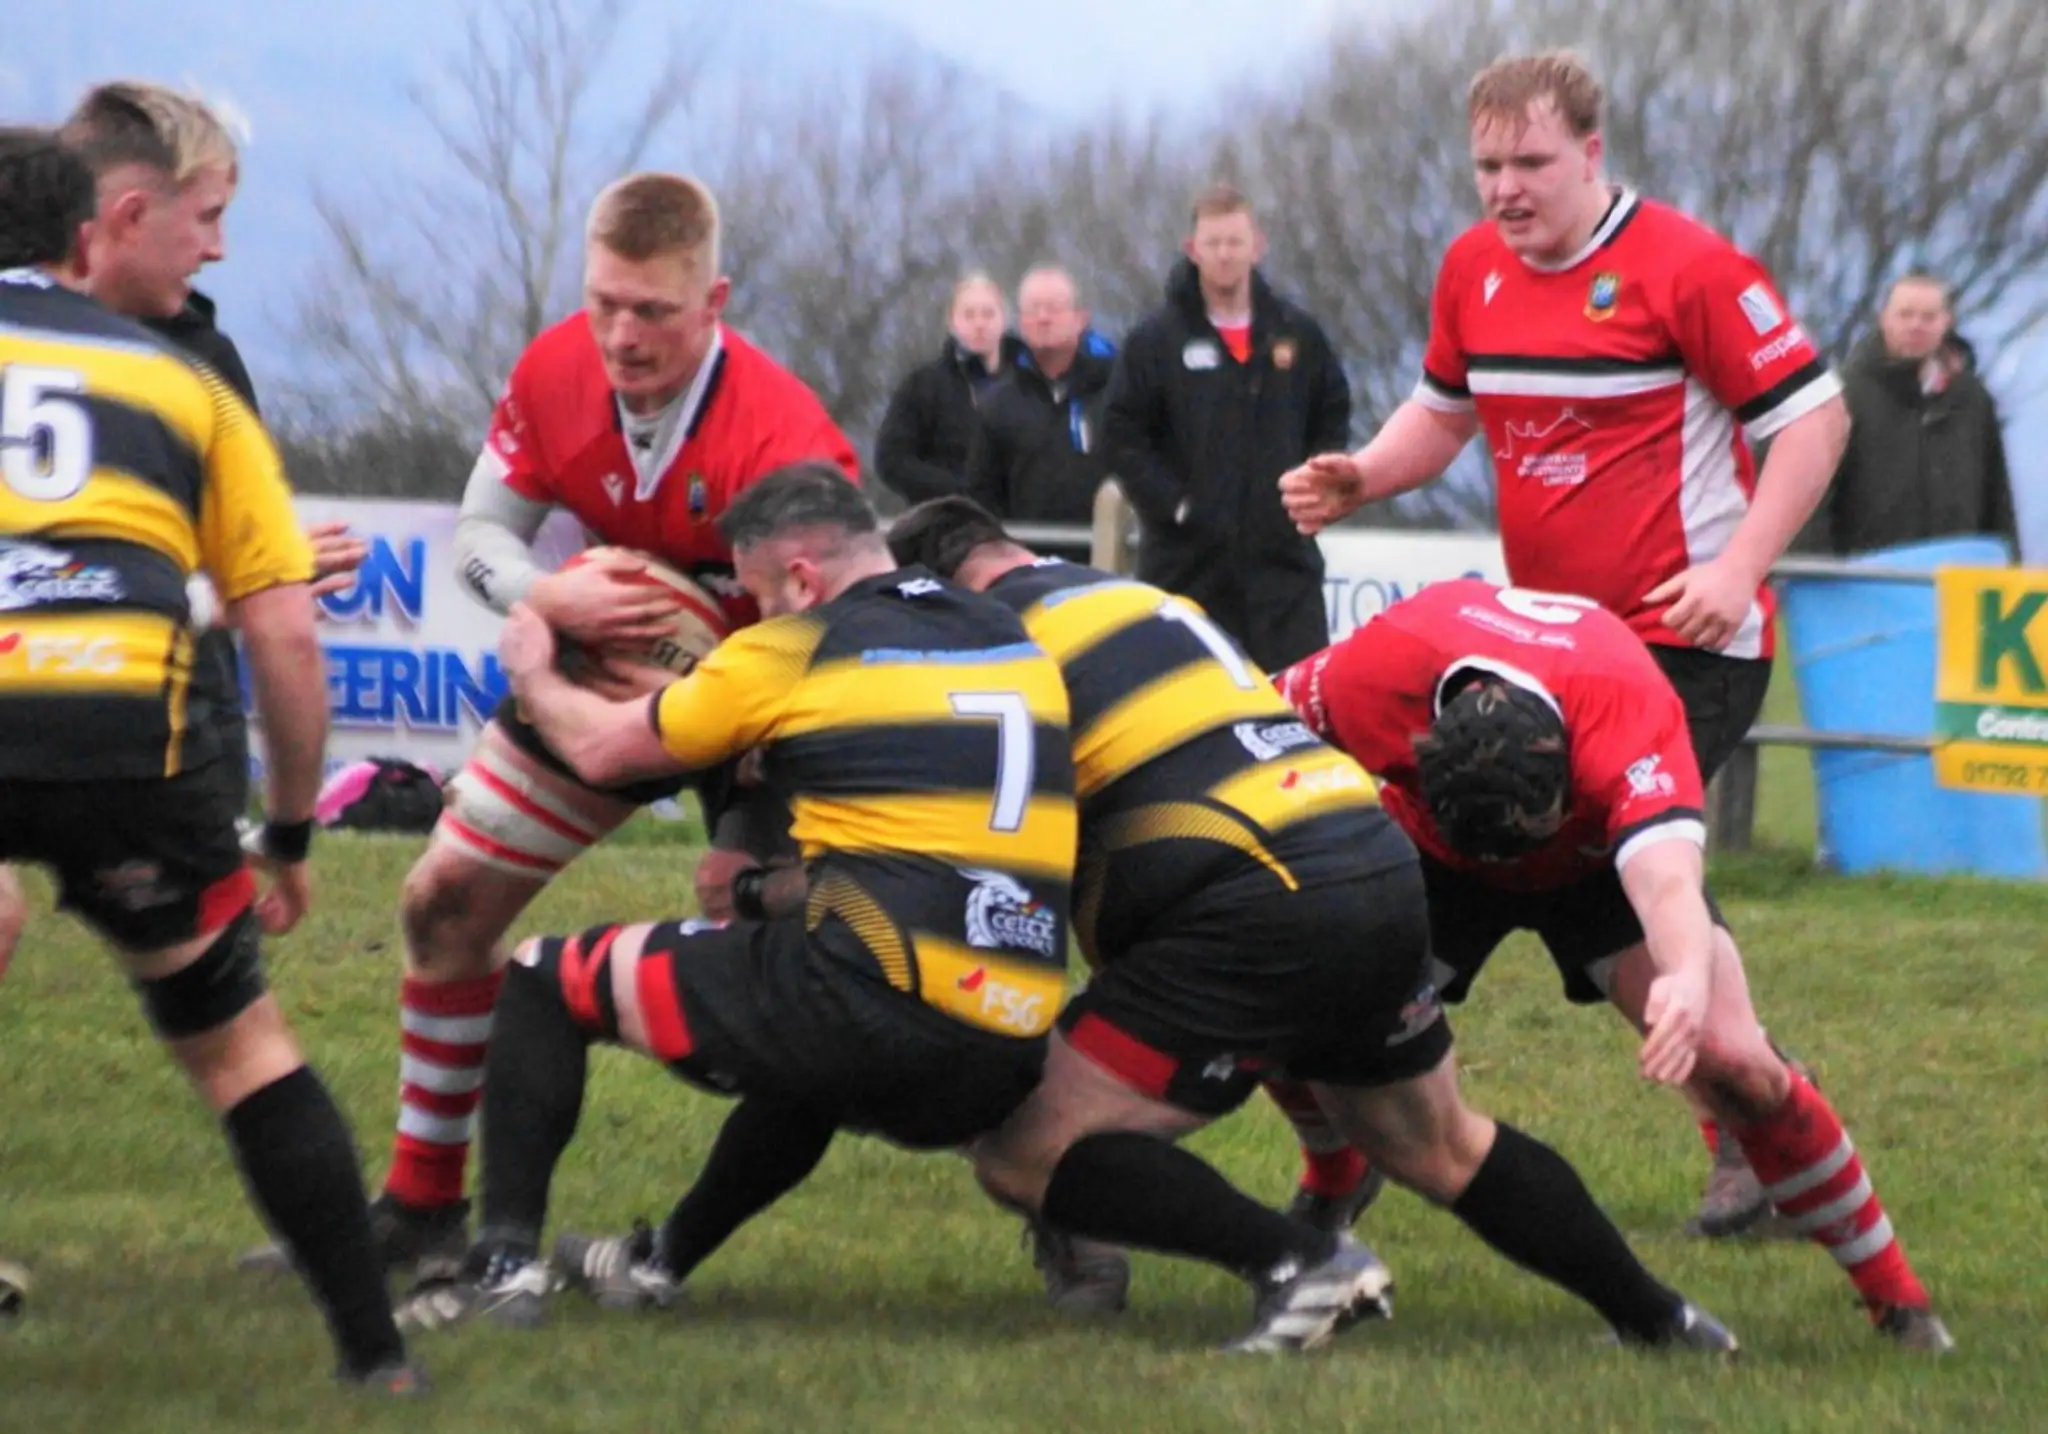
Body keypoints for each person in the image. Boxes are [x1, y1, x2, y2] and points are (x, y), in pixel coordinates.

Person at [544, 495, 1739, 1357]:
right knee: (1436, 1144)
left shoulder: (986, 644)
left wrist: (767, 893)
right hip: (1369, 862)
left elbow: (968, 867)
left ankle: (1298, 1265)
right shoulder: (1136, 597)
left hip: (1249, 897)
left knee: (1022, 1147)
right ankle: (1663, 1321)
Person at [231, 170, 862, 1284]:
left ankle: (1051, 1180)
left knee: (860, 971)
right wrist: (546, 593)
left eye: (653, 311)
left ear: (714, 301)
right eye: (604, 302)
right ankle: (423, 1206)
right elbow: (480, 533)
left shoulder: (784, 436)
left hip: (771, 709)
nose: (621, 336)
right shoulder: (554, 368)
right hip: (600, 673)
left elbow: (831, 644)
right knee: (441, 901)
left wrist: (731, 743)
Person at [1277, 49, 1850, 1236]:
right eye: (1485, 166)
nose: (1504, 188)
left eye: (1529, 162)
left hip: (1685, 640)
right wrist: (1364, 475)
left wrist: (1736, 567)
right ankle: (1739, 1108)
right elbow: (1441, 415)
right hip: (1552, 654)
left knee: (1616, 859)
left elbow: (1815, 420)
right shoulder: (1470, 270)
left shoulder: (1686, 268)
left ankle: (1744, 1120)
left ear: (1591, 153)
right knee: (1538, 856)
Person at [392, 467, 1076, 1329]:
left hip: (875, 1007)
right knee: (806, 1054)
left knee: (540, 978)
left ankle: (501, 1268)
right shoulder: (1001, 633)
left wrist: (534, 671)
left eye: (761, 597)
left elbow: (602, 752)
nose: (756, 617)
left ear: (802, 580)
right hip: (1006, 1044)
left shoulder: (794, 647)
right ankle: (658, 1263)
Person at [0, 129, 421, 1393]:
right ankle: (376, 1360)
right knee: (240, 1047)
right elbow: (283, 636)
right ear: (87, 238)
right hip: (134, 740)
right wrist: (287, 833)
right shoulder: (185, 385)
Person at [1272, 578, 1953, 1353]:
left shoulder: (1623, 709)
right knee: (1283, 999)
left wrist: (1686, 980)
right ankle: (1332, 1184)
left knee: (1735, 1059)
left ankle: (1897, 1300)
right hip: (1437, 860)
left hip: (1596, 864)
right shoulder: (1376, 668)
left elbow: (1666, 883)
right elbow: (1241, 725)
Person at [0, 83, 368, 983]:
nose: (219, 248)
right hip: (92, 706)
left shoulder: (200, 357)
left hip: (157, 717)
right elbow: (265, 617)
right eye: (207, 217)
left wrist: (245, 587)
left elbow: (251, 596)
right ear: (126, 216)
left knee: (211, 978)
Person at [1104, 182, 1351, 672]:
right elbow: (1120, 433)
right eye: (1213, 243)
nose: (1224, 254)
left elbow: (1332, 412)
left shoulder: (1297, 334)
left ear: (1257, 245)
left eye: (1234, 242)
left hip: (1283, 573)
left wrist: (1312, 487)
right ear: (1192, 248)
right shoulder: (1156, 341)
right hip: (1185, 570)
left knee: (1295, 702)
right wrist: (1174, 505)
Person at [1801, 274, 2018, 558]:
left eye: (1928, 317)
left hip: (1956, 574)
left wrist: (2009, 565)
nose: (1916, 325)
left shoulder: (1972, 400)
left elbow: (1997, 497)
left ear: (1946, 322)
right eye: (1905, 314)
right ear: (1884, 318)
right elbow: (1809, 496)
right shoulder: (1843, 396)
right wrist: (1814, 570)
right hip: (1864, 573)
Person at [964, 265, 1117, 527]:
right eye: (1033, 309)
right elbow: (982, 496)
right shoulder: (998, 404)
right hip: (1027, 549)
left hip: (1106, 548)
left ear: (1081, 318)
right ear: (1020, 322)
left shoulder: (1119, 392)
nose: (1043, 318)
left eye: (1054, 308)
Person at [875, 272, 1022, 507]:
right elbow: (891, 459)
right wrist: (955, 491)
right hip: (943, 519)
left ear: (1004, 319)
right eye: (969, 315)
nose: (979, 324)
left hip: (1020, 521)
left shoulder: (1030, 385)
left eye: (988, 313)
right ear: (952, 322)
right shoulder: (923, 386)